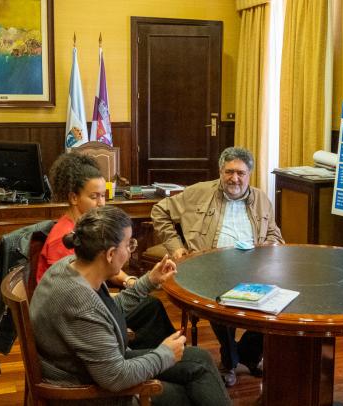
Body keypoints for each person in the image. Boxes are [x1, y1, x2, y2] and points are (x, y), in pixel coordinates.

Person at [31, 206, 231, 406]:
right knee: (192, 394)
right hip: (89, 393)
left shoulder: (68, 267)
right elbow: (116, 377)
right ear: (110, 254)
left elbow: (106, 312)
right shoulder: (81, 305)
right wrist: (165, 354)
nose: (130, 251)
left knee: (200, 359)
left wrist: (149, 281)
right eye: (128, 245)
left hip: (96, 369)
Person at [151, 146, 284, 386]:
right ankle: (230, 361)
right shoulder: (198, 192)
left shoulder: (262, 199)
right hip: (208, 269)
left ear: (250, 174)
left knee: (277, 302)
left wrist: (272, 248)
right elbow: (159, 211)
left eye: (241, 173)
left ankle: (249, 353)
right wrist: (176, 247)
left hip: (254, 269)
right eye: (229, 172)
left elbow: (273, 232)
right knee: (220, 304)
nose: (235, 178)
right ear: (220, 172)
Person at [37, 152, 174, 349]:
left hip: (91, 301)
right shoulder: (63, 239)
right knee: (150, 308)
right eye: (94, 197)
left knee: (150, 306)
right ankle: (157, 356)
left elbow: (102, 268)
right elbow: (74, 299)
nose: (101, 203)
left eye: (103, 196)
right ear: (74, 197)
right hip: (73, 318)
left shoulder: (88, 227)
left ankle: (161, 354)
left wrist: (130, 281)